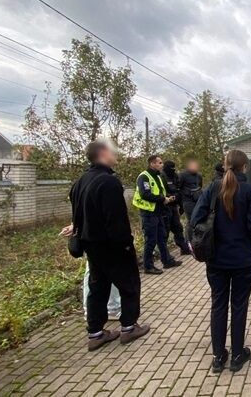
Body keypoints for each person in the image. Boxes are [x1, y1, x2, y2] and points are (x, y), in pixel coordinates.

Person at [68, 140, 149, 351]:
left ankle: (95, 333)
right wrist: (126, 246)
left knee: (97, 288)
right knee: (129, 285)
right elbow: (116, 220)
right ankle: (129, 327)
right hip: (113, 246)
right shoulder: (108, 182)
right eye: (112, 151)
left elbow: (77, 215)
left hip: (91, 246)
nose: (116, 155)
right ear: (103, 153)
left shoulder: (81, 181)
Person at [191, 149, 251, 373]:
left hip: (216, 260)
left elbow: (195, 220)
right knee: (239, 306)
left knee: (218, 304)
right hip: (242, 259)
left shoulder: (213, 188)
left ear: (225, 165)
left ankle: (218, 356)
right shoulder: (250, 191)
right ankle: (237, 354)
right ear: (245, 167)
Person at [133, 155, 182, 275]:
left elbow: (160, 192)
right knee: (150, 240)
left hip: (158, 211)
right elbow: (145, 194)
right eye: (159, 163)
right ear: (152, 164)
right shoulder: (144, 176)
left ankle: (167, 261)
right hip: (148, 213)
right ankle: (148, 266)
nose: (162, 165)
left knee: (162, 237)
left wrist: (167, 199)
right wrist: (162, 199)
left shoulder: (158, 177)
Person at [163, 160, 191, 255]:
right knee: (165, 231)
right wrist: (170, 197)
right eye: (171, 168)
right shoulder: (162, 177)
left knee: (178, 228)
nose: (173, 170)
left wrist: (181, 205)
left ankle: (184, 248)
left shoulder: (175, 176)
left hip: (174, 206)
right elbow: (162, 192)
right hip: (165, 207)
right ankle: (165, 254)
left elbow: (179, 190)